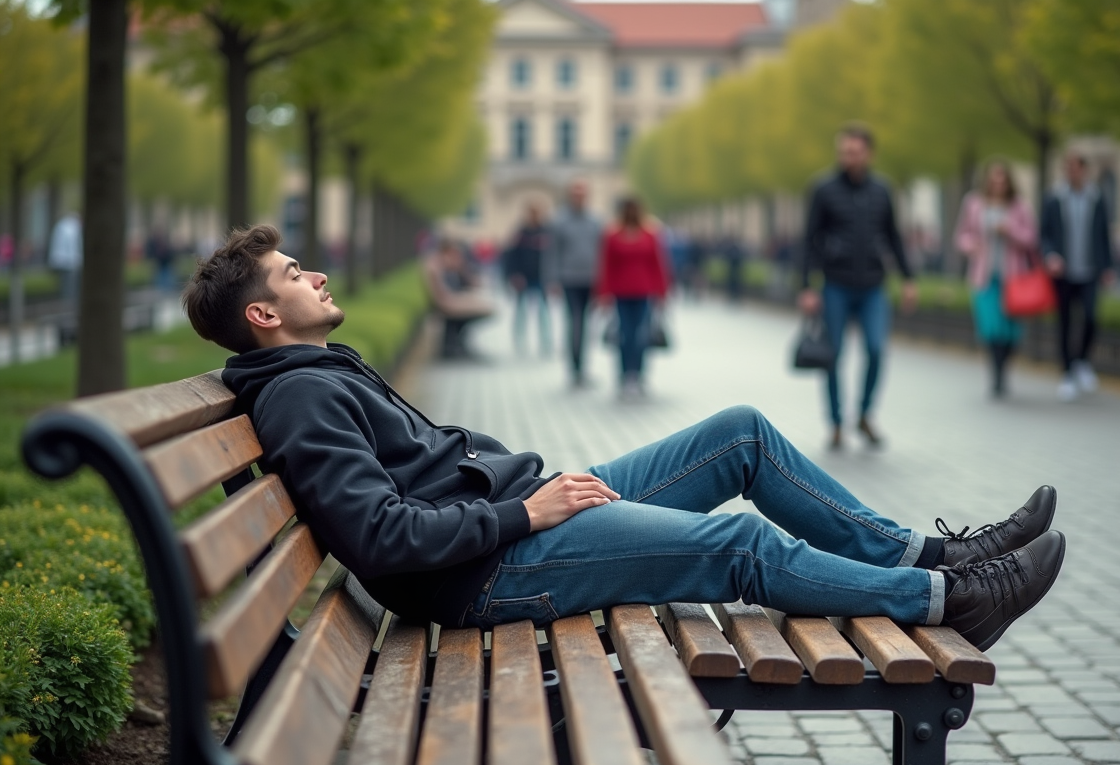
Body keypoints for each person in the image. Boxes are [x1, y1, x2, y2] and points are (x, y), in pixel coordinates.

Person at [180, 224, 1067, 653]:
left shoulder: (317, 370)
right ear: (263, 315)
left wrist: (532, 500)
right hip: (489, 570)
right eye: (293, 273)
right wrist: (528, 513)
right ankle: (949, 600)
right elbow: (381, 537)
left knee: (741, 434)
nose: (316, 273)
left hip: (522, 521)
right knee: (740, 543)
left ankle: (934, 554)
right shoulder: (301, 396)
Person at [797, 125, 917, 450]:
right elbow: (808, 239)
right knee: (833, 354)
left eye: (854, 151)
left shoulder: (882, 190)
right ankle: (836, 423)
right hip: (835, 284)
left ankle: (865, 414)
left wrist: (908, 279)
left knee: (876, 349)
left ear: (868, 153)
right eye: (843, 152)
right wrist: (806, 286)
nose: (847, 157)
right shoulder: (823, 189)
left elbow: (893, 236)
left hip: (873, 286)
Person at [954, 160, 1038, 397]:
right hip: (984, 275)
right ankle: (997, 374)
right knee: (990, 327)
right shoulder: (974, 203)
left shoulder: (1019, 205)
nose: (998, 184)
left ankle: (1004, 368)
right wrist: (972, 246)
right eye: (994, 179)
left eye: (1002, 179)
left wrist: (1010, 230)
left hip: (1014, 277)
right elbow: (962, 236)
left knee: (1011, 330)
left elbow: (1031, 238)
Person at [1040, 153, 1114, 402]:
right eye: (1067, 168)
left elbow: (1104, 234)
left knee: (1091, 317)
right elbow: (1044, 234)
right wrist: (1050, 255)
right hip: (1062, 273)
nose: (1071, 172)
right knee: (1064, 323)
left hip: (1089, 271)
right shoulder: (1054, 198)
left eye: (1075, 168)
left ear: (1084, 170)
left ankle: (1082, 361)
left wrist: (1108, 266)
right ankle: (1067, 374)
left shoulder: (1096, 198)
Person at [595, 198, 670, 399]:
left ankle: (639, 374)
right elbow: (607, 266)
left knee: (642, 335)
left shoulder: (650, 235)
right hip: (621, 293)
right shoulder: (612, 236)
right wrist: (603, 294)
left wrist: (662, 293)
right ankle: (625, 374)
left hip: (644, 292)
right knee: (625, 334)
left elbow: (657, 264)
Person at [546, 181, 604, 387]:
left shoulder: (595, 221)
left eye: (582, 194)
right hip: (569, 279)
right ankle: (575, 368)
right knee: (575, 323)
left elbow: (603, 252)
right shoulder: (559, 221)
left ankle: (583, 367)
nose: (579, 198)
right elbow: (552, 253)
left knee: (588, 326)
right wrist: (552, 280)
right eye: (575, 194)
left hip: (591, 279)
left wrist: (604, 282)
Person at [422, 238, 493, 359]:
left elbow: (468, 282)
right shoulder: (436, 266)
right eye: (453, 252)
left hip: (449, 301)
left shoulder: (450, 266)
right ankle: (452, 346)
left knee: (484, 306)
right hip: (445, 304)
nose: (456, 255)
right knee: (481, 307)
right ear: (445, 252)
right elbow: (444, 294)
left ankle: (456, 344)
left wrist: (460, 267)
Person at [502, 204, 552, 356]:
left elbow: (552, 257)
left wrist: (552, 278)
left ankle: (546, 343)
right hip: (523, 278)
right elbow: (510, 256)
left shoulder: (546, 233)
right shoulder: (520, 234)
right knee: (521, 312)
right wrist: (514, 274)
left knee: (544, 312)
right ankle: (519, 342)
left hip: (541, 277)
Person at [47, 212, 82, 307]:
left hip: (64, 261)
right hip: (67, 263)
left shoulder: (63, 225)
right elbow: (71, 246)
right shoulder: (70, 227)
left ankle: (68, 306)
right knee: (68, 288)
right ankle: (68, 307)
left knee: (68, 288)